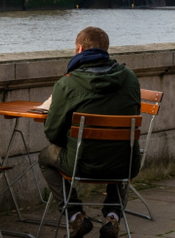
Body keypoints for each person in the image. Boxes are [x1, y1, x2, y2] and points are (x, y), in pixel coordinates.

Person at [39, 27, 141, 238]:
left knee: (43, 157)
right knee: (121, 152)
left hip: (81, 163)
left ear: (79, 49)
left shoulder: (67, 83)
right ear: (106, 50)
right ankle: (113, 215)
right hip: (125, 163)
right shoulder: (130, 79)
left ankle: (75, 215)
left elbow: (52, 133)